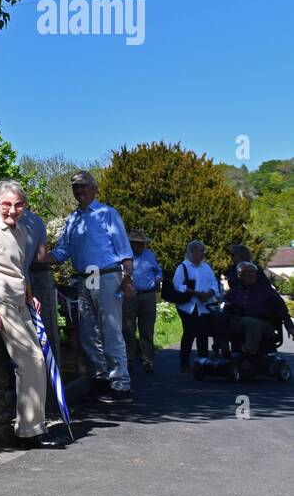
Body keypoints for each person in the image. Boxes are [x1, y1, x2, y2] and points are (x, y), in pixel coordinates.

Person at [0, 181, 61, 449]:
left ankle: (34, 426)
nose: (12, 210)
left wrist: (29, 295)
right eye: (7, 204)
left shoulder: (20, 231)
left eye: (18, 204)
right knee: (32, 360)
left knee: (38, 360)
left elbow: (18, 271)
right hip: (1, 303)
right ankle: (29, 432)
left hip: (20, 303)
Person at [50, 171, 134, 403]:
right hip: (84, 278)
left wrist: (127, 278)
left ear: (94, 188)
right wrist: (37, 258)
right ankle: (100, 380)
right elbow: (62, 251)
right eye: (75, 187)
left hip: (106, 275)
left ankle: (120, 385)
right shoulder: (72, 220)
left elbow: (124, 250)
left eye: (83, 186)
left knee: (110, 330)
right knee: (88, 332)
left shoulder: (107, 214)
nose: (79, 191)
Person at [222, 261, 294, 357]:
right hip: (239, 321)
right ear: (239, 275)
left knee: (251, 322)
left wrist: (289, 326)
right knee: (218, 319)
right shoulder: (234, 292)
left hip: (263, 323)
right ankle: (223, 352)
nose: (250, 275)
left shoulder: (267, 291)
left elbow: (281, 309)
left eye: (252, 272)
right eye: (246, 272)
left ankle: (248, 356)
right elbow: (224, 306)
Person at [173, 240, 223, 373]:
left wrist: (209, 293)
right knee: (189, 332)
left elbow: (214, 283)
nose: (203, 254)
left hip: (204, 305)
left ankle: (203, 361)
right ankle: (184, 364)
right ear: (193, 252)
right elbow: (178, 286)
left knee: (203, 332)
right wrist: (196, 293)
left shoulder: (206, 267)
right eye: (201, 251)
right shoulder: (183, 267)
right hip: (188, 306)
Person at [122, 230, 163, 372]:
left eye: (142, 244)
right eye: (137, 243)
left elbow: (158, 271)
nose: (140, 246)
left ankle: (147, 360)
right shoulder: (125, 256)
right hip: (130, 296)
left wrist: (158, 279)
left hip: (148, 295)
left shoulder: (149, 255)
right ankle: (129, 360)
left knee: (147, 329)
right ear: (131, 243)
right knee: (128, 329)